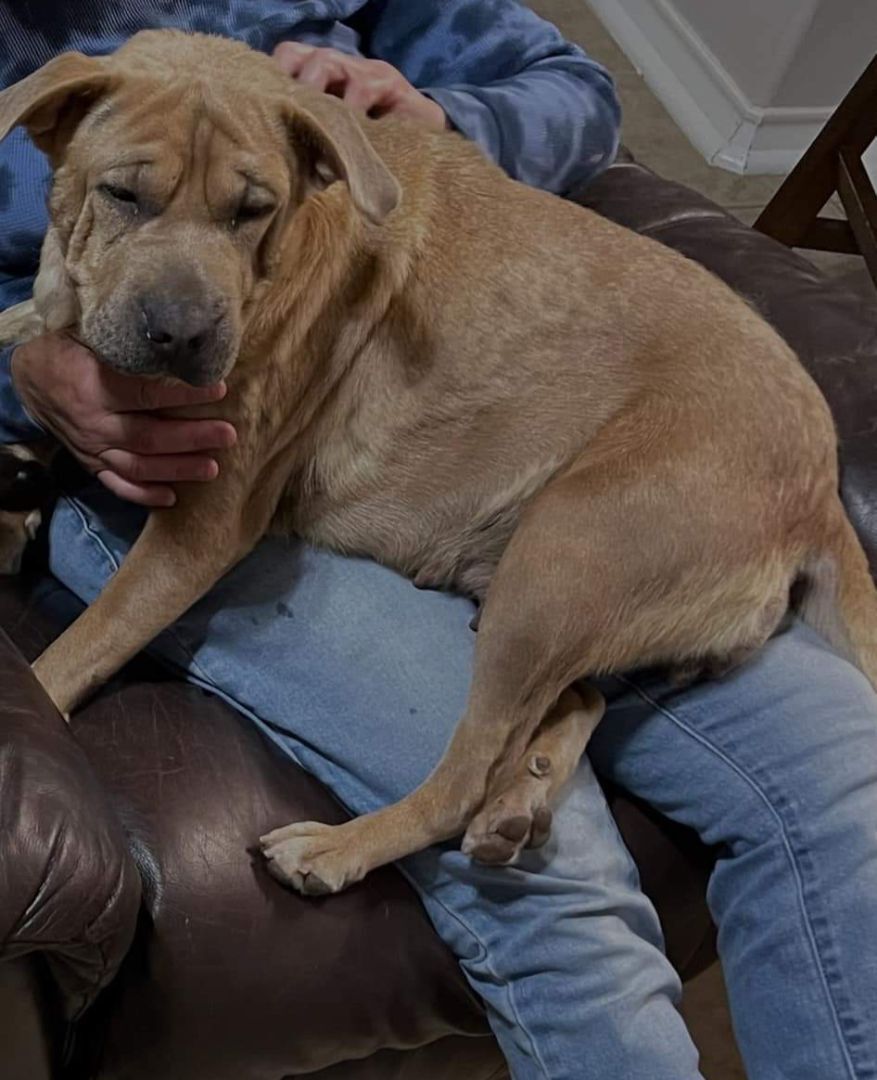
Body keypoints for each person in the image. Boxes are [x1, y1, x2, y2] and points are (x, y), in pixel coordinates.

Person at [2, 4, 877, 1078]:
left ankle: (564, 694)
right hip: (155, 478)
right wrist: (21, 374)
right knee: (549, 875)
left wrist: (434, 120)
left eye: (246, 212)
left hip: (571, 473)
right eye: (129, 197)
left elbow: (569, 89)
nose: (189, 301)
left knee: (845, 781)